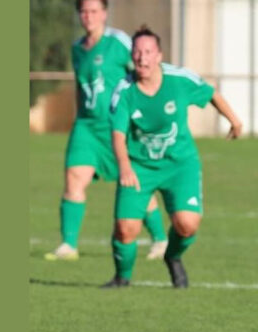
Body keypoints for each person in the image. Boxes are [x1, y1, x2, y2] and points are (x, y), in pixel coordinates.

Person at [102, 26, 243, 288]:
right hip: (139, 166)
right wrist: (124, 166)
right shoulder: (124, 90)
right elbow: (118, 134)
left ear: (159, 55)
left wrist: (233, 120)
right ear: (131, 55)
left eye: (148, 52)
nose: (142, 58)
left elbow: (211, 93)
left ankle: (173, 256)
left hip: (180, 165)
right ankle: (122, 277)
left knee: (187, 224)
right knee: (125, 228)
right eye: (137, 52)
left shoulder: (179, 80)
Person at [45, 0, 169, 262]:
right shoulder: (78, 49)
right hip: (86, 126)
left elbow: (144, 69)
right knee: (74, 178)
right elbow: (81, 86)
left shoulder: (119, 42)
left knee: (133, 183)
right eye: (83, 11)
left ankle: (160, 239)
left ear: (104, 13)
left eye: (93, 11)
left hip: (117, 126)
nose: (87, 16)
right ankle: (68, 245)